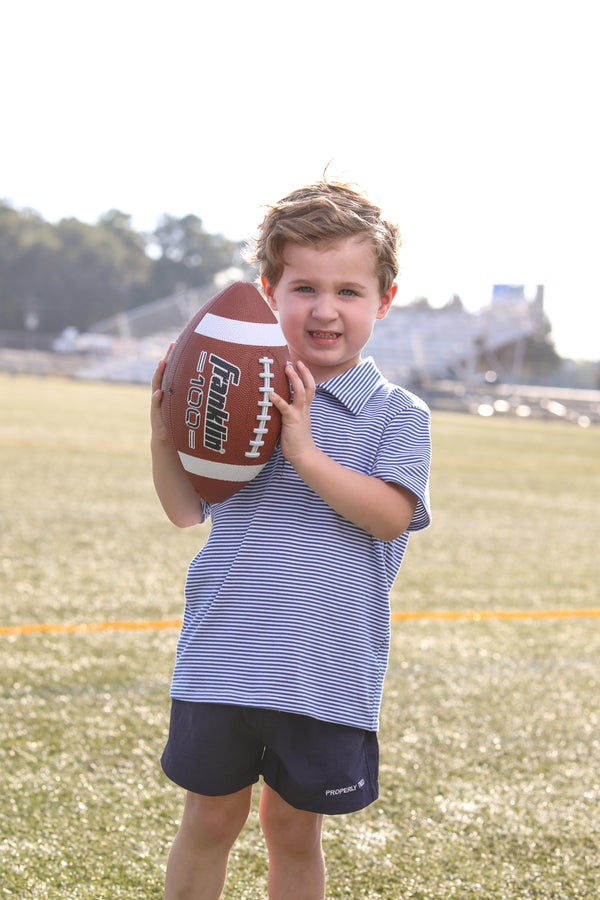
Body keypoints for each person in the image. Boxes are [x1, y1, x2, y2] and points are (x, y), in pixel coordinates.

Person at [150, 177, 432, 900]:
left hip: (324, 669)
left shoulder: (397, 414)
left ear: (384, 301)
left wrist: (306, 452)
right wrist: (164, 431)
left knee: (294, 831)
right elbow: (186, 512)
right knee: (209, 821)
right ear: (270, 291)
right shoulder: (242, 388)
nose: (325, 310)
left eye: (348, 292)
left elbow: (390, 516)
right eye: (304, 288)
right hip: (223, 656)